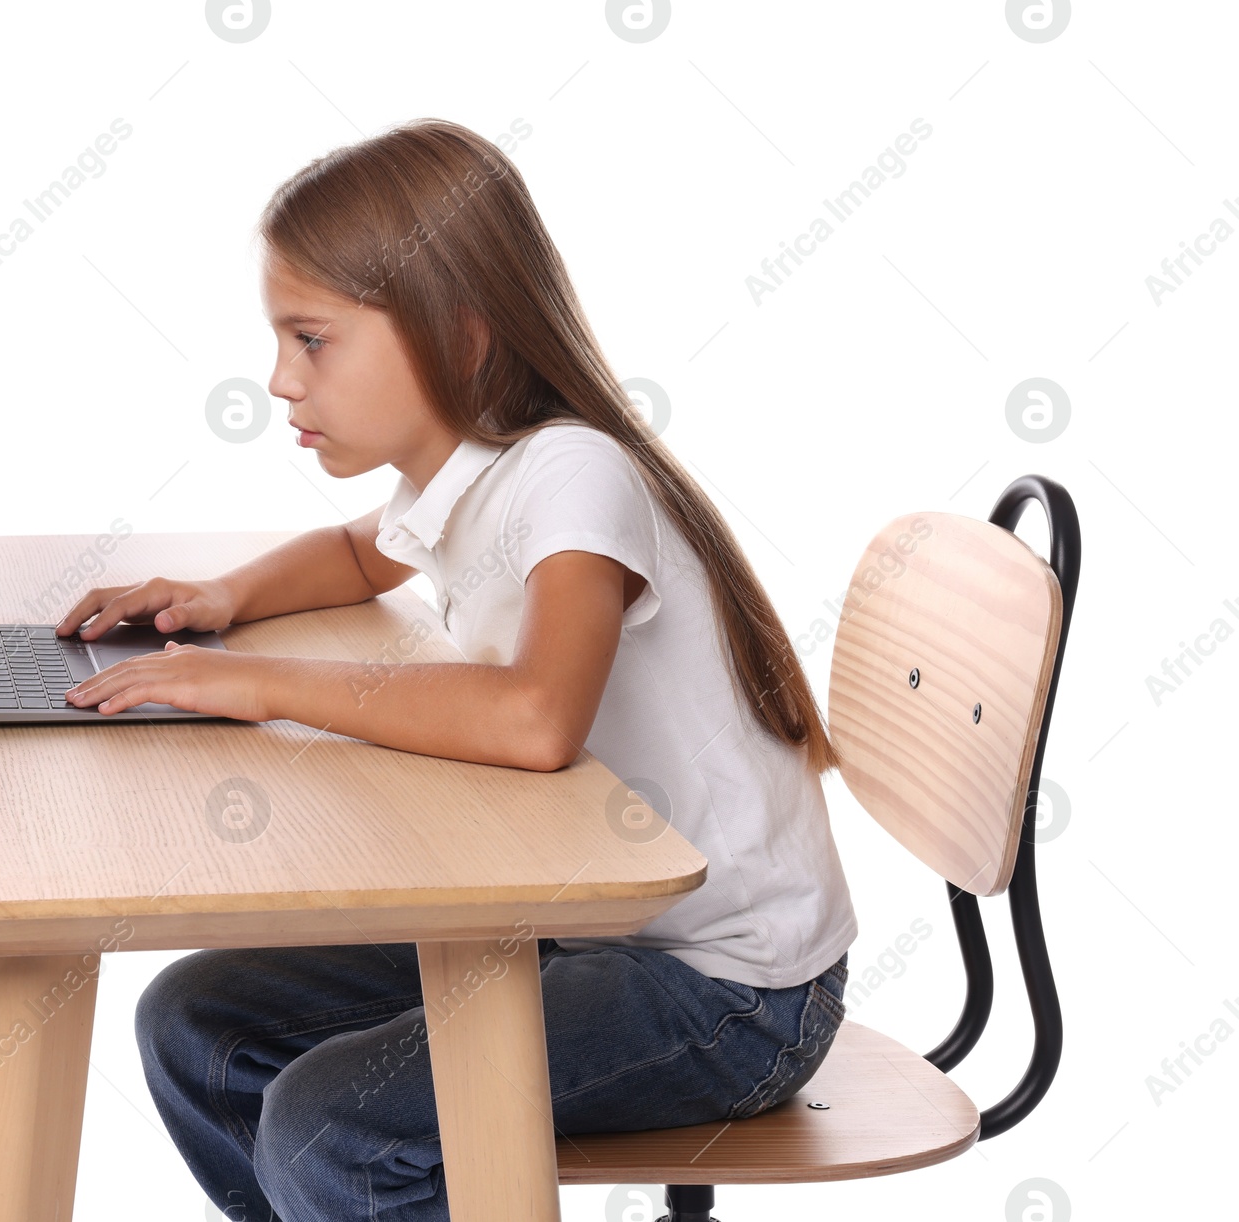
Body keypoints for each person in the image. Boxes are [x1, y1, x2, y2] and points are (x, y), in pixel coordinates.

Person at [55, 117, 855, 1222]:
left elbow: (536, 720)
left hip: (730, 989)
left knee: (331, 1125)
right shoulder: (468, 474)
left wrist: (264, 685)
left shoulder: (571, 473)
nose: (280, 381)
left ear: (458, 333)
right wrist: (220, 603)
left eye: (313, 340)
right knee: (195, 1024)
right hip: (586, 932)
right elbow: (355, 553)